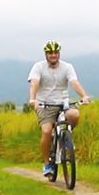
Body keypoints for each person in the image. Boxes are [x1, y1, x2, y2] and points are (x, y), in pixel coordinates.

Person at [28, 40, 91, 178]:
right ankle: (47, 164)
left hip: (63, 104)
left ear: (59, 53)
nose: (53, 55)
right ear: (46, 54)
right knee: (46, 131)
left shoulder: (67, 67)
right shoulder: (38, 67)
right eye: (50, 53)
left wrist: (84, 96)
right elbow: (34, 83)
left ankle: (64, 139)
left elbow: (74, 82)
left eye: (55, 52)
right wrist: (33, 99)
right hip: (44, 105)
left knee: (74, 115)